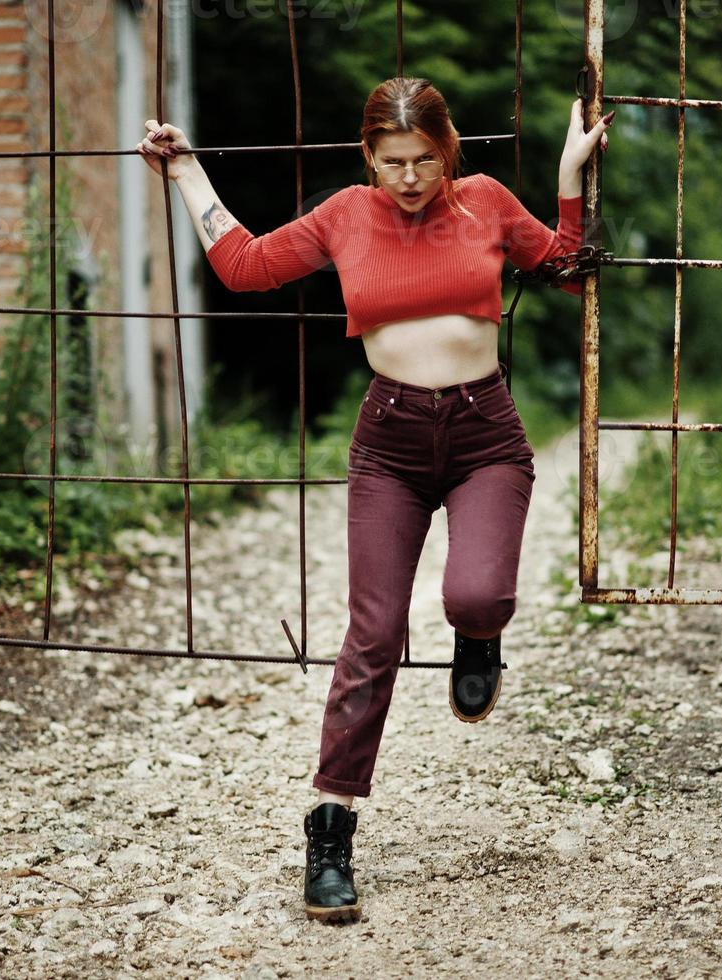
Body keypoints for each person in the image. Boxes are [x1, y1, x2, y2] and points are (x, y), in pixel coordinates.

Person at [136, 76, 613, 923]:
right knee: (374, 631)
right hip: (388, 441)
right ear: (368, 157)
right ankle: (330, 831)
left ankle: (478, 638)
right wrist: (185, 173)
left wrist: (570, 176)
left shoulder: (487, 204)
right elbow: (244, 267)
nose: (408, 178)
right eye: (391, 162)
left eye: (424, 160)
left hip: (483, 436)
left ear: (447, 149)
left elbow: (572, 273)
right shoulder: (344, 216)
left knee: (479, 594)